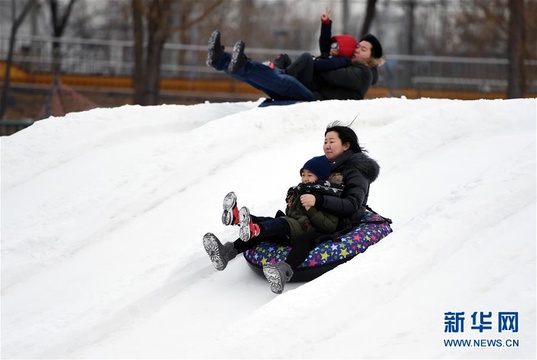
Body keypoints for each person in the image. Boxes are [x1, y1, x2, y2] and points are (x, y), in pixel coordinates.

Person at [202, 155, 344, 293]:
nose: (305, 179)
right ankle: (226, 251)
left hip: (303, 232)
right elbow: (292, 214)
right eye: (303, 175)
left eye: (310, 175)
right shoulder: (301, 191)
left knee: (275, 225)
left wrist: (311, 209)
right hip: (292, 227)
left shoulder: (327, 197)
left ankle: (282, 271)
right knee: (268, 223)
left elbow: (329, 226)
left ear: (321, 177)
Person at [206, 13, 384, 101]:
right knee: (263, 79)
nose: (358, 50)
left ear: (372, 57)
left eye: (364, 49)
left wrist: (317, 63)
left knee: (281, 79)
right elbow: (325, 57)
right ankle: (220, 59)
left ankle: (236, 63)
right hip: (311, 90)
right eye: (358, 46)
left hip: (313, 97)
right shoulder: (352, 65)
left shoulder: (364, 73)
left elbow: (330, 75)